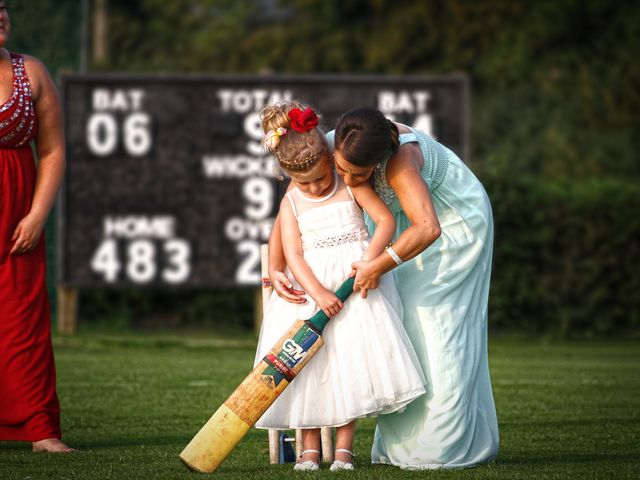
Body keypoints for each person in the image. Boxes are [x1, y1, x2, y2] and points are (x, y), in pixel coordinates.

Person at [268, 105, 499, 469]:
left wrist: (378, 264)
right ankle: (400, 449)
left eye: (353, 174)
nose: (341, 177)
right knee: (399, 327)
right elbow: (291, 208)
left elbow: (428, 228)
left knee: (436, 329)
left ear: (377, 163)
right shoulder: (330, 148)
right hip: (403, 228)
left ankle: (442, 448)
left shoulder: (402, 161)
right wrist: (276, 267)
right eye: (338, 168)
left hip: (452, 225)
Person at [254, 102, 426, 471]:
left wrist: (371, 261)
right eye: (304, 182)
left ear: (330, 161)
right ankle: (310, 449)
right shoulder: (291, 202)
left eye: (320, 176)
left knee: (351, 365)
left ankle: (345, 451)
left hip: (355, 290)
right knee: (310, 370)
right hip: (313, 295)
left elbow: (384, 222)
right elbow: (295, 255)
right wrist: (319, 294)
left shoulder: (350, 188)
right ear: (289, 177)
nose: (315, 186)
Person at [0, 1, 73, 453]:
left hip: (17, 216)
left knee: (22, 319)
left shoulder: (33, 72)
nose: (0, 15)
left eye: (2, 7)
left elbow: (53, 151)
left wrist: (37, 214)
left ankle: (39, 428)